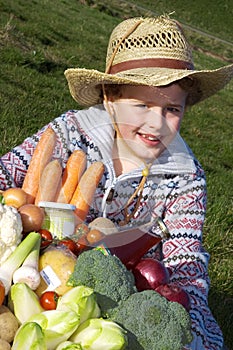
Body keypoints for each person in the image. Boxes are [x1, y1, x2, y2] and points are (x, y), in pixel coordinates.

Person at [1, 15, 233, 349]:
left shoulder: (186, 179)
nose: (157, 124)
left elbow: (186, 266)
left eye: (172, 109)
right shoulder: (69, 133)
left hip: (126, 291)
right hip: (38, 265)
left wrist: (192, 327)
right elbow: (6, 171)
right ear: (110, 99)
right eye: (142, 105)